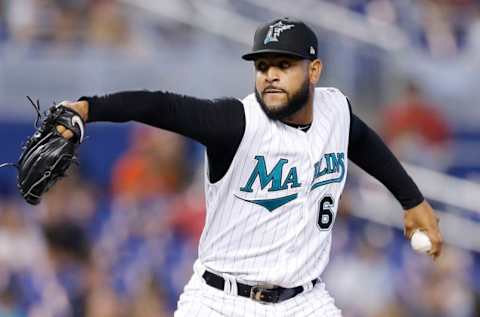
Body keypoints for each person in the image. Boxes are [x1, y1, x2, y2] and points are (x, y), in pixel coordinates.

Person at [56, 17, 442, 316]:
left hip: (304, 300)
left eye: (284, 65)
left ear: (313, 70)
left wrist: (411, 200)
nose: (270, 75)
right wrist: (90, 108)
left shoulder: (334, 109)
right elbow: (161, 106)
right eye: (262, 66)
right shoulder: (237, 122)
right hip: (220, 299)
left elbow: (361, 141)